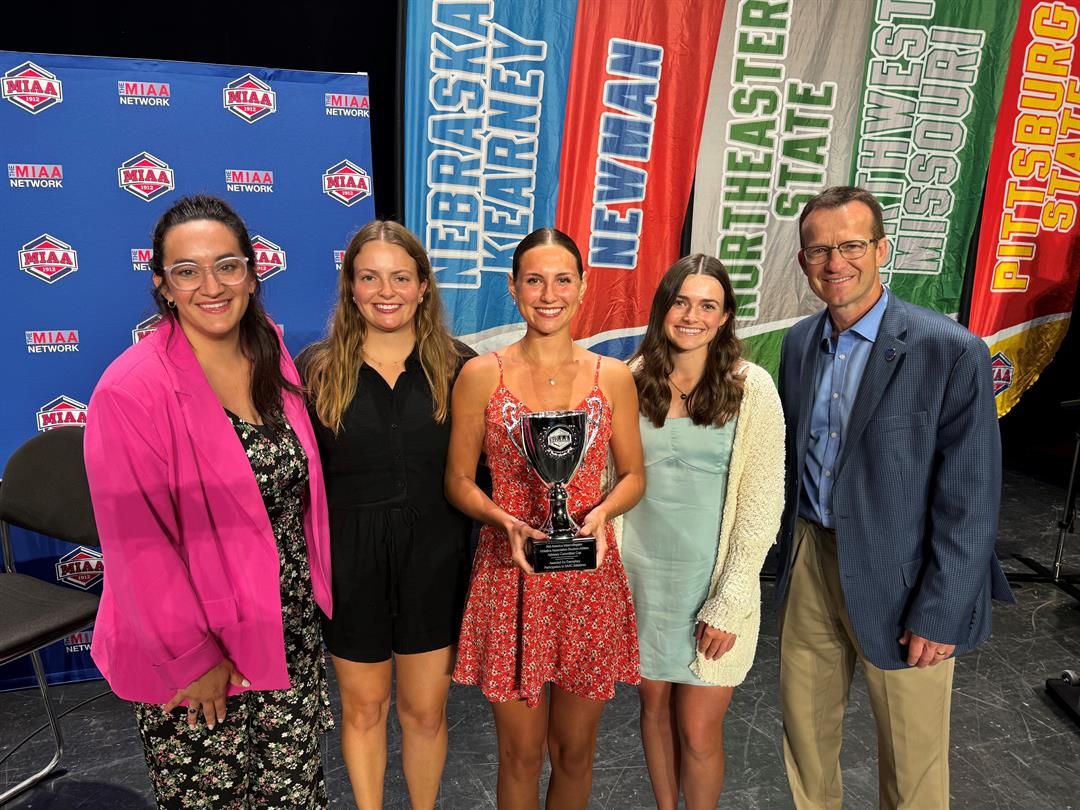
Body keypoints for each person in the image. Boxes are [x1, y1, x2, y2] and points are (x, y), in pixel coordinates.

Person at [84, 194, 333, 808]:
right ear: (163, 286)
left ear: (251, 272)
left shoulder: (269, 349)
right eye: (187, 271)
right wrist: (195, 660)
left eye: (227, 265)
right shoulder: (131, 389)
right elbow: (137, 547)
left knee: (293, 794)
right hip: (194, 646)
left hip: (285, 624)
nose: (210, 286)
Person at [775, 186, 1015, 810]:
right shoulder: (800, 344)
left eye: (851, 245)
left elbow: (970, 498)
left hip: (904, 578)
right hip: (812, 560)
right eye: (819, 250)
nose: (836, 263)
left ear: (881, 249)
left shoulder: (951, 351)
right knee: (805, 744)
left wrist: (941, 610)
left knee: (914, 773)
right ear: (802, 262)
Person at [446, 228, 645, 810]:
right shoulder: (482, 375)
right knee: (520, 755)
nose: (548, 293)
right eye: (534, 280)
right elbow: (457, 480)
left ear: (583, 288)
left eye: (562, 279)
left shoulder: (614, 377)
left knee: (576, 753)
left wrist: (603, 512)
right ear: (513, 288)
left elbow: (633, 475)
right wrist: (503, 520)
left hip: (589, 582)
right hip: (511, 580)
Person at [299, 220, 474, 810]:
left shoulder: (462, 368)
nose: (386, 290)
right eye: (369, 277)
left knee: (424, 712)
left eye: (401, 277)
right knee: (364, 709)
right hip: (352, 567)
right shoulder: (315, 370)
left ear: (424, 286)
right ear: (350, 286)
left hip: (436, 561)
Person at [620, 254, 785, 810]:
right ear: (663, 308)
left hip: (711, 586)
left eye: (707, 305)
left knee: (697, 728)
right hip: (639, 580)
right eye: (681, 301)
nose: (691, 315)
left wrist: (732, 596)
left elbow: (764, 505)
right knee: (653, 711)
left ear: (724, 318)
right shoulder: (629, 379)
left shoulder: (752, 388)